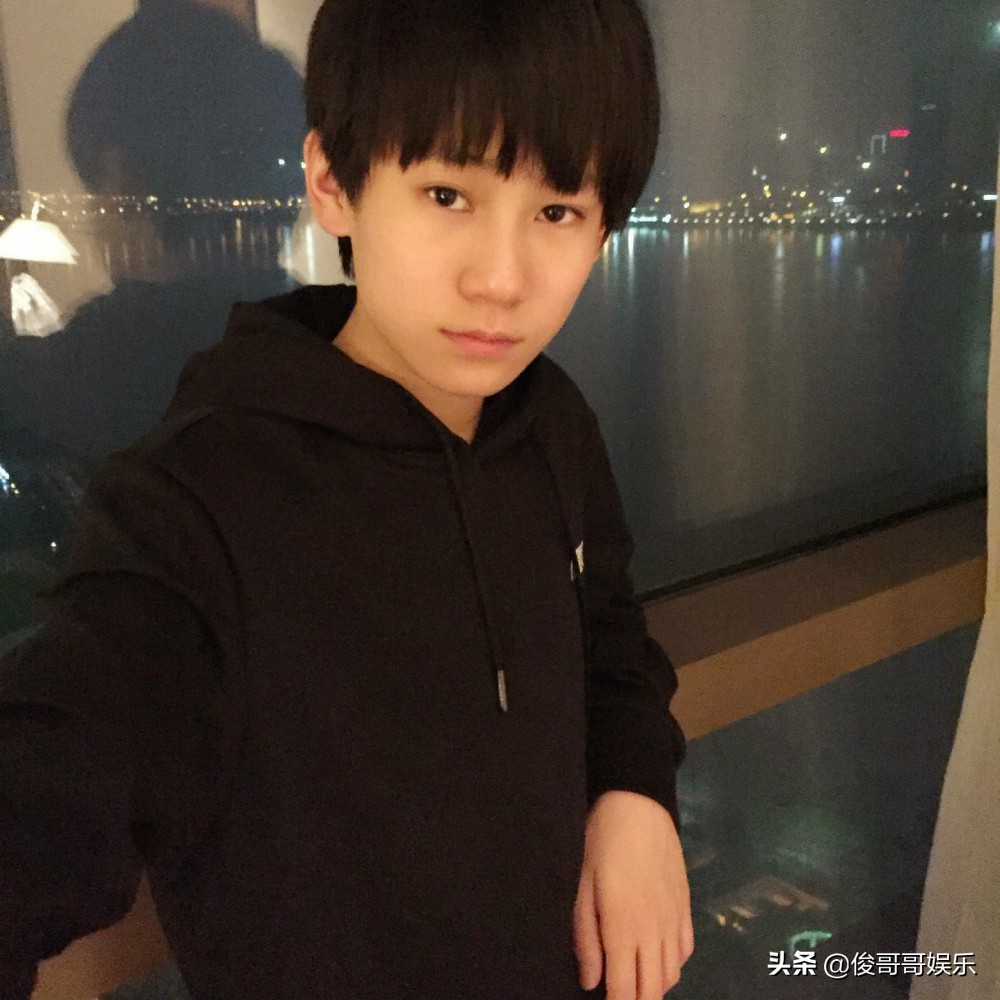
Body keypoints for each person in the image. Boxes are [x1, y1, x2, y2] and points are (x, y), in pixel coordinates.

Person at [0, 1, 693, 997]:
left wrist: (633, 788)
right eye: (448, 193)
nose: (501, 280)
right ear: (332, 184)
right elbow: (58, 765)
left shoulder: (551, 424)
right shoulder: (199, 502)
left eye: (557, 211)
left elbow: (608, 633)